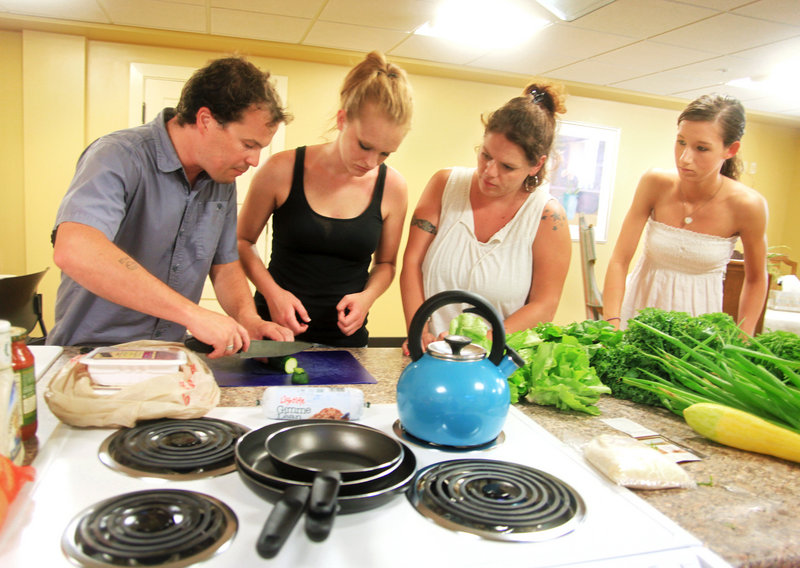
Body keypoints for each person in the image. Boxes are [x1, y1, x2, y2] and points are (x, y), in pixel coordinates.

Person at [48, 56, 294, 358]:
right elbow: (75, 250)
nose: (255, 160)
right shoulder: (118, 156)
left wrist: (249, 319)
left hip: (166, 356)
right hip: (93, 355)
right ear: (206, 120)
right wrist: (192, 314)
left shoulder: (222, 182)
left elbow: (225, 264)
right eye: (248, 144)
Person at [237, 51, 413, 347]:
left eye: (385, 153)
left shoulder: (393, 187)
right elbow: (242, 241)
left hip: (345, 339)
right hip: (274, 329)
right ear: (342, 119)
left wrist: (367, 298)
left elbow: (386, 264)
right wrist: (272, 293)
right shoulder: (281, 169)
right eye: (365, 146)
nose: (372, 161)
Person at [400, 81, 572, 351]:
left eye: (507, 166)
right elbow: (412, 263)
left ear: (536, 164)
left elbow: (544, 305)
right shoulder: (444, 185)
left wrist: (475, 345)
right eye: (485, 155)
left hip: (495, 360)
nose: (489, 172)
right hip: (431, 353)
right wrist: (418, 329)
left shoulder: (548, 217)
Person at [602, 94, 768, 335]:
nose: (685, 158)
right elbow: (619, 260)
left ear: (730, 149)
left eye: (701, 148)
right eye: (681, 142)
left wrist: (744, 337)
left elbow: (755, 279)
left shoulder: (749, 206)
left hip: (697, 327)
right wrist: (612, 321)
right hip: (637, 311)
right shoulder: (655, 182)